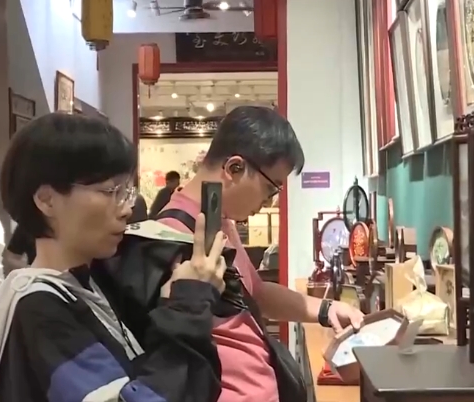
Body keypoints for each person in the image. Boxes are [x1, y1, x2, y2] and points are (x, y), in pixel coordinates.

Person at [0, 113, 225, 402]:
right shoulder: (39, 308)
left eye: (127, 191)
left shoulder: (87, 283)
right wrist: (188, 307)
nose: (126, 209)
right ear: (47, 199)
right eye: (111, 191)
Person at [156, 106, 366, 402]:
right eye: (270, 189)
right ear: (234, 168)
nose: (269, 202)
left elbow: (257, 291)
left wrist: (326, 309)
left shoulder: (220, 221)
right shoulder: (171, 234)